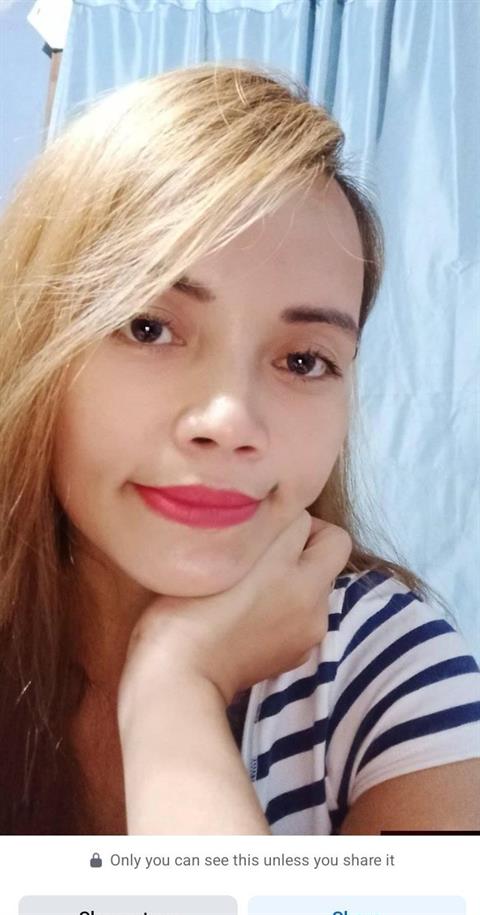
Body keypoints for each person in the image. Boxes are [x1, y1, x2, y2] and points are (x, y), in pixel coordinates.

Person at [0, 62, 479, 836]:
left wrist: (174, 688)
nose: (230, 420)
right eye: (148, 326)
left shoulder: (396, 670)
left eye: (304, 360)